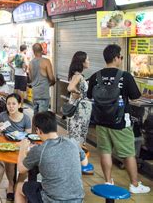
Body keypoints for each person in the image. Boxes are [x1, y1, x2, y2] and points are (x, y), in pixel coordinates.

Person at [87, 44, 150, 193]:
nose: (121, 59)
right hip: (120, 122)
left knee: (105, 152)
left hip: (101, 122)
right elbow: (135, 96)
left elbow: (90, 96)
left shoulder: (96, 76)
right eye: (121, 57)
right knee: (128, 153)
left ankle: (108, 182)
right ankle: (134, 185)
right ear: (116, 58)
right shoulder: (125, 76)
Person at [16, 111, 88, 203]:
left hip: (52, 200)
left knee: (19, 188)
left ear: (38, 130)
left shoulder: (40, 150)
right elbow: (84, 163)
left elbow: (21, 169)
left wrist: (22, 148)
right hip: (78, 199)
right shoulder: (72, 142)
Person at [0, 93, 31, 201]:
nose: (11, 106)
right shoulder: (3, 115)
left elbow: (28, 135)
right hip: (7, 146)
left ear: (19, 105)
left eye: (14, 104)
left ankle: (18, 184)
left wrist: (21, 143)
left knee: (26, 165)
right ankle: (11, 185)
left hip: (21, 146)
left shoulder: (26, 118)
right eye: (8, 104)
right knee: (9, 164)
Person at [67, 51, 92, 146]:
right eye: (87, 60)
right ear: (82, 62)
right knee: (77, 137)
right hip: (79, 113)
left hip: (81, 111)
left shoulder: (76, 75)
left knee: (77, 137)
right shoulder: (78, 76)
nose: (89, 62)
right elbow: (70, 88)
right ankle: (77, 158)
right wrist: (79, 93)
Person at [29, 43, 55, 114]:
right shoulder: (46, 61)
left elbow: (31, 78)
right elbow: (51, 78)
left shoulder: (30, 63)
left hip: (35, 94)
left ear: (33, 51)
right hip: (43, 94)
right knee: (42, 118)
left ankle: (33, 125)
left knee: (35, 117)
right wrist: (51, 83)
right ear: (42, 50)